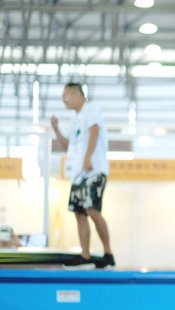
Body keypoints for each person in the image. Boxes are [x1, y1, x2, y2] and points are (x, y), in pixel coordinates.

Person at [50, 82, 115, 268]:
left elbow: (94, 132)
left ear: (77, 94)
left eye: (66, 95)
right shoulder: (75, 120)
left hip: (94, 170)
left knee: (93, 210)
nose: (64, 99)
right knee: (79, 213)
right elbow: (68, 147)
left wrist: (88, 158)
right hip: (78, 175)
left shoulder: (91, 110)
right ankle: (85, 255)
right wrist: (56, 129)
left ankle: (108, 254)